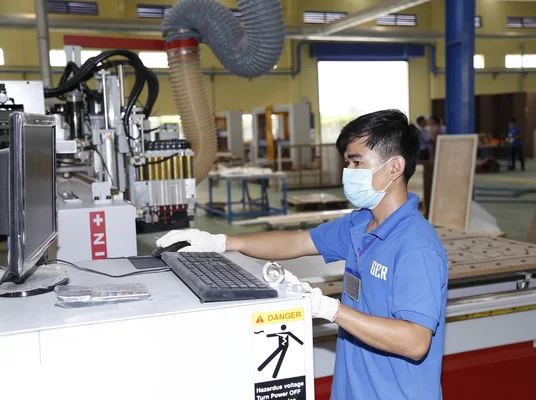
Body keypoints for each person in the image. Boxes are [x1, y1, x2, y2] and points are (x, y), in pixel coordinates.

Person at [157, 110, 449, 400]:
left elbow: (415, 341)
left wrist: (330, 309)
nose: (348, 170)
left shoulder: (416, 245)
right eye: (347, 161)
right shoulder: (359, 224)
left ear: (394, 167)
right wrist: (221, 242)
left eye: (357, 161)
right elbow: (297, 242)